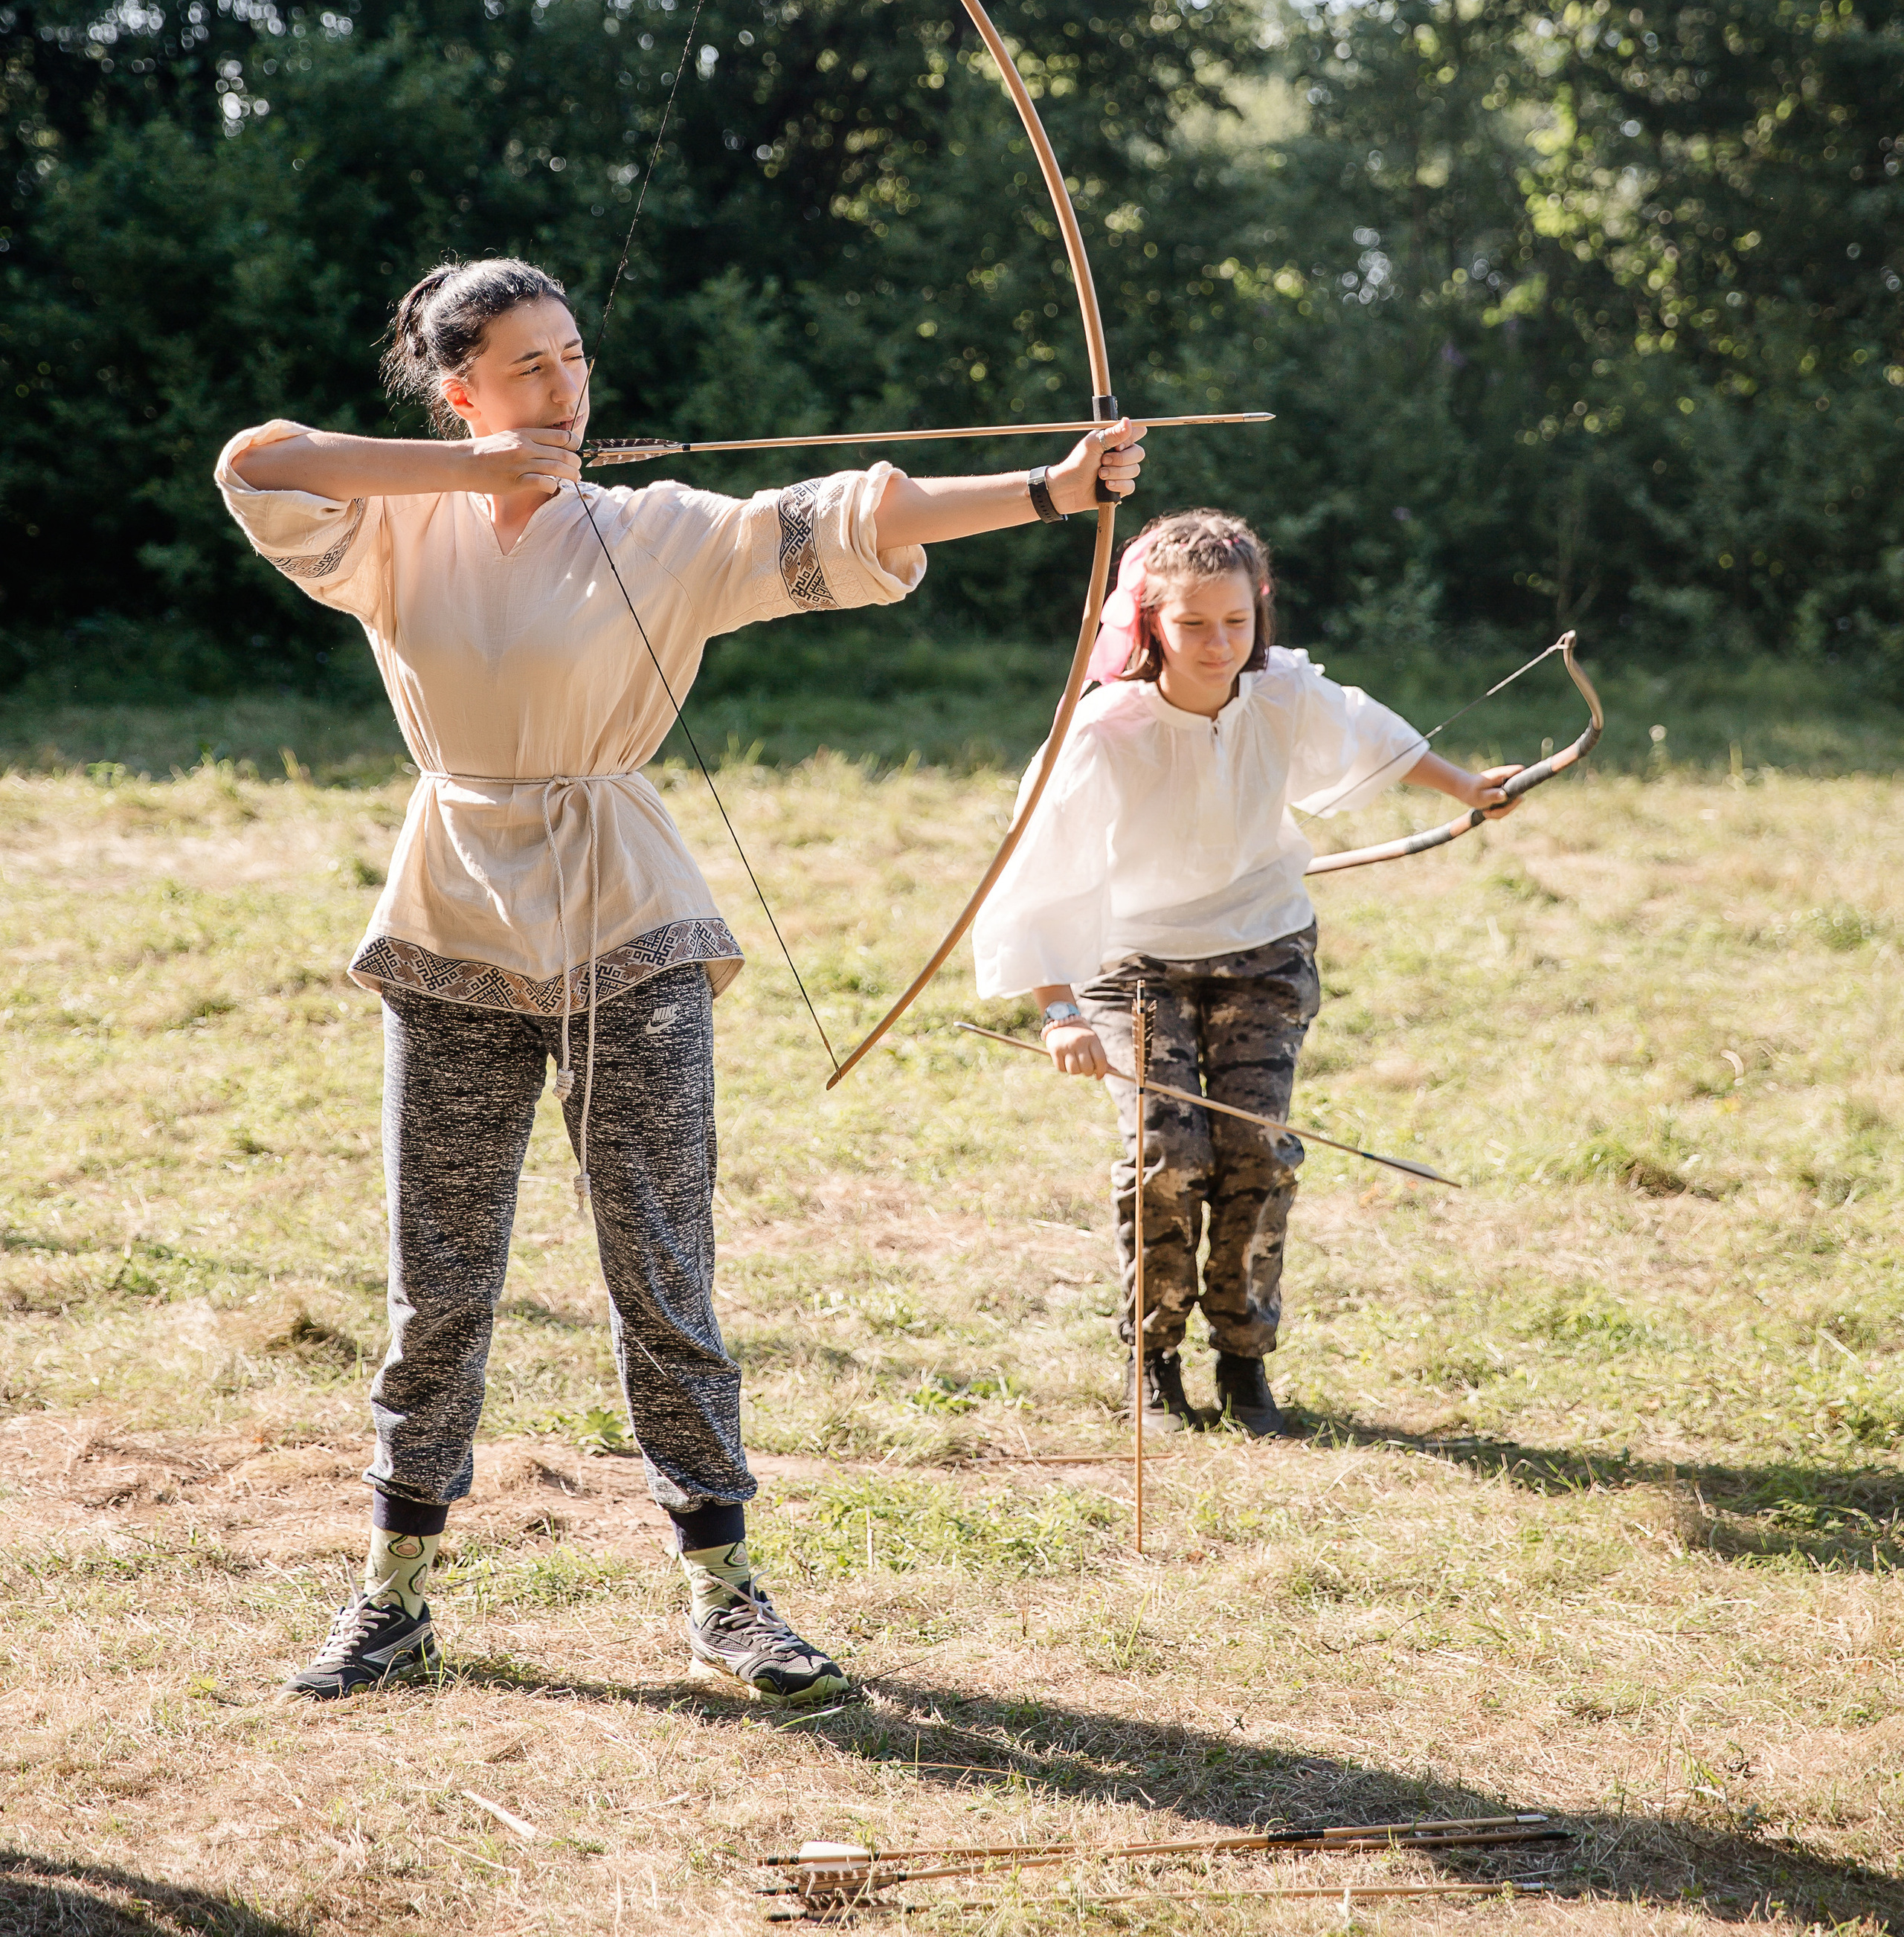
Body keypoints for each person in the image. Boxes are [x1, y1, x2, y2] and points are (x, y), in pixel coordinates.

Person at [216, 254, 1145, 1703]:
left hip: (629, 914)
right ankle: (392, 1599)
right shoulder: (392, 529)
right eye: (527, 367)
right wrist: (469, 472)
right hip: (453, 915)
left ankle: (725, 1597)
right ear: (460, 391)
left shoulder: (655, 529)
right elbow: (257, 461)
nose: (564, 388)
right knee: (438, 1281)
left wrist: (1049, 490)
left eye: (574, 358)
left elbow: (848, 516)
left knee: (661, 1267)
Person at [971, 509, 1512, 1440]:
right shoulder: (1103, 731)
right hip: (1134, 966)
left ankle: (1244, 1359)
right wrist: (1057, 1010)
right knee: (1168, 1156)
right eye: (1191, 625)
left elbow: (1372, 737)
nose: (1218, 645)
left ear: (1259, 610)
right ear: (1149, 623)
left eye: (1236, 621)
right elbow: (1035, 873)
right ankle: (1152, 1358)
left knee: (1257, 1152)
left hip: (1263, 951)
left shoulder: (1283, 691)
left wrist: (1467, 787)